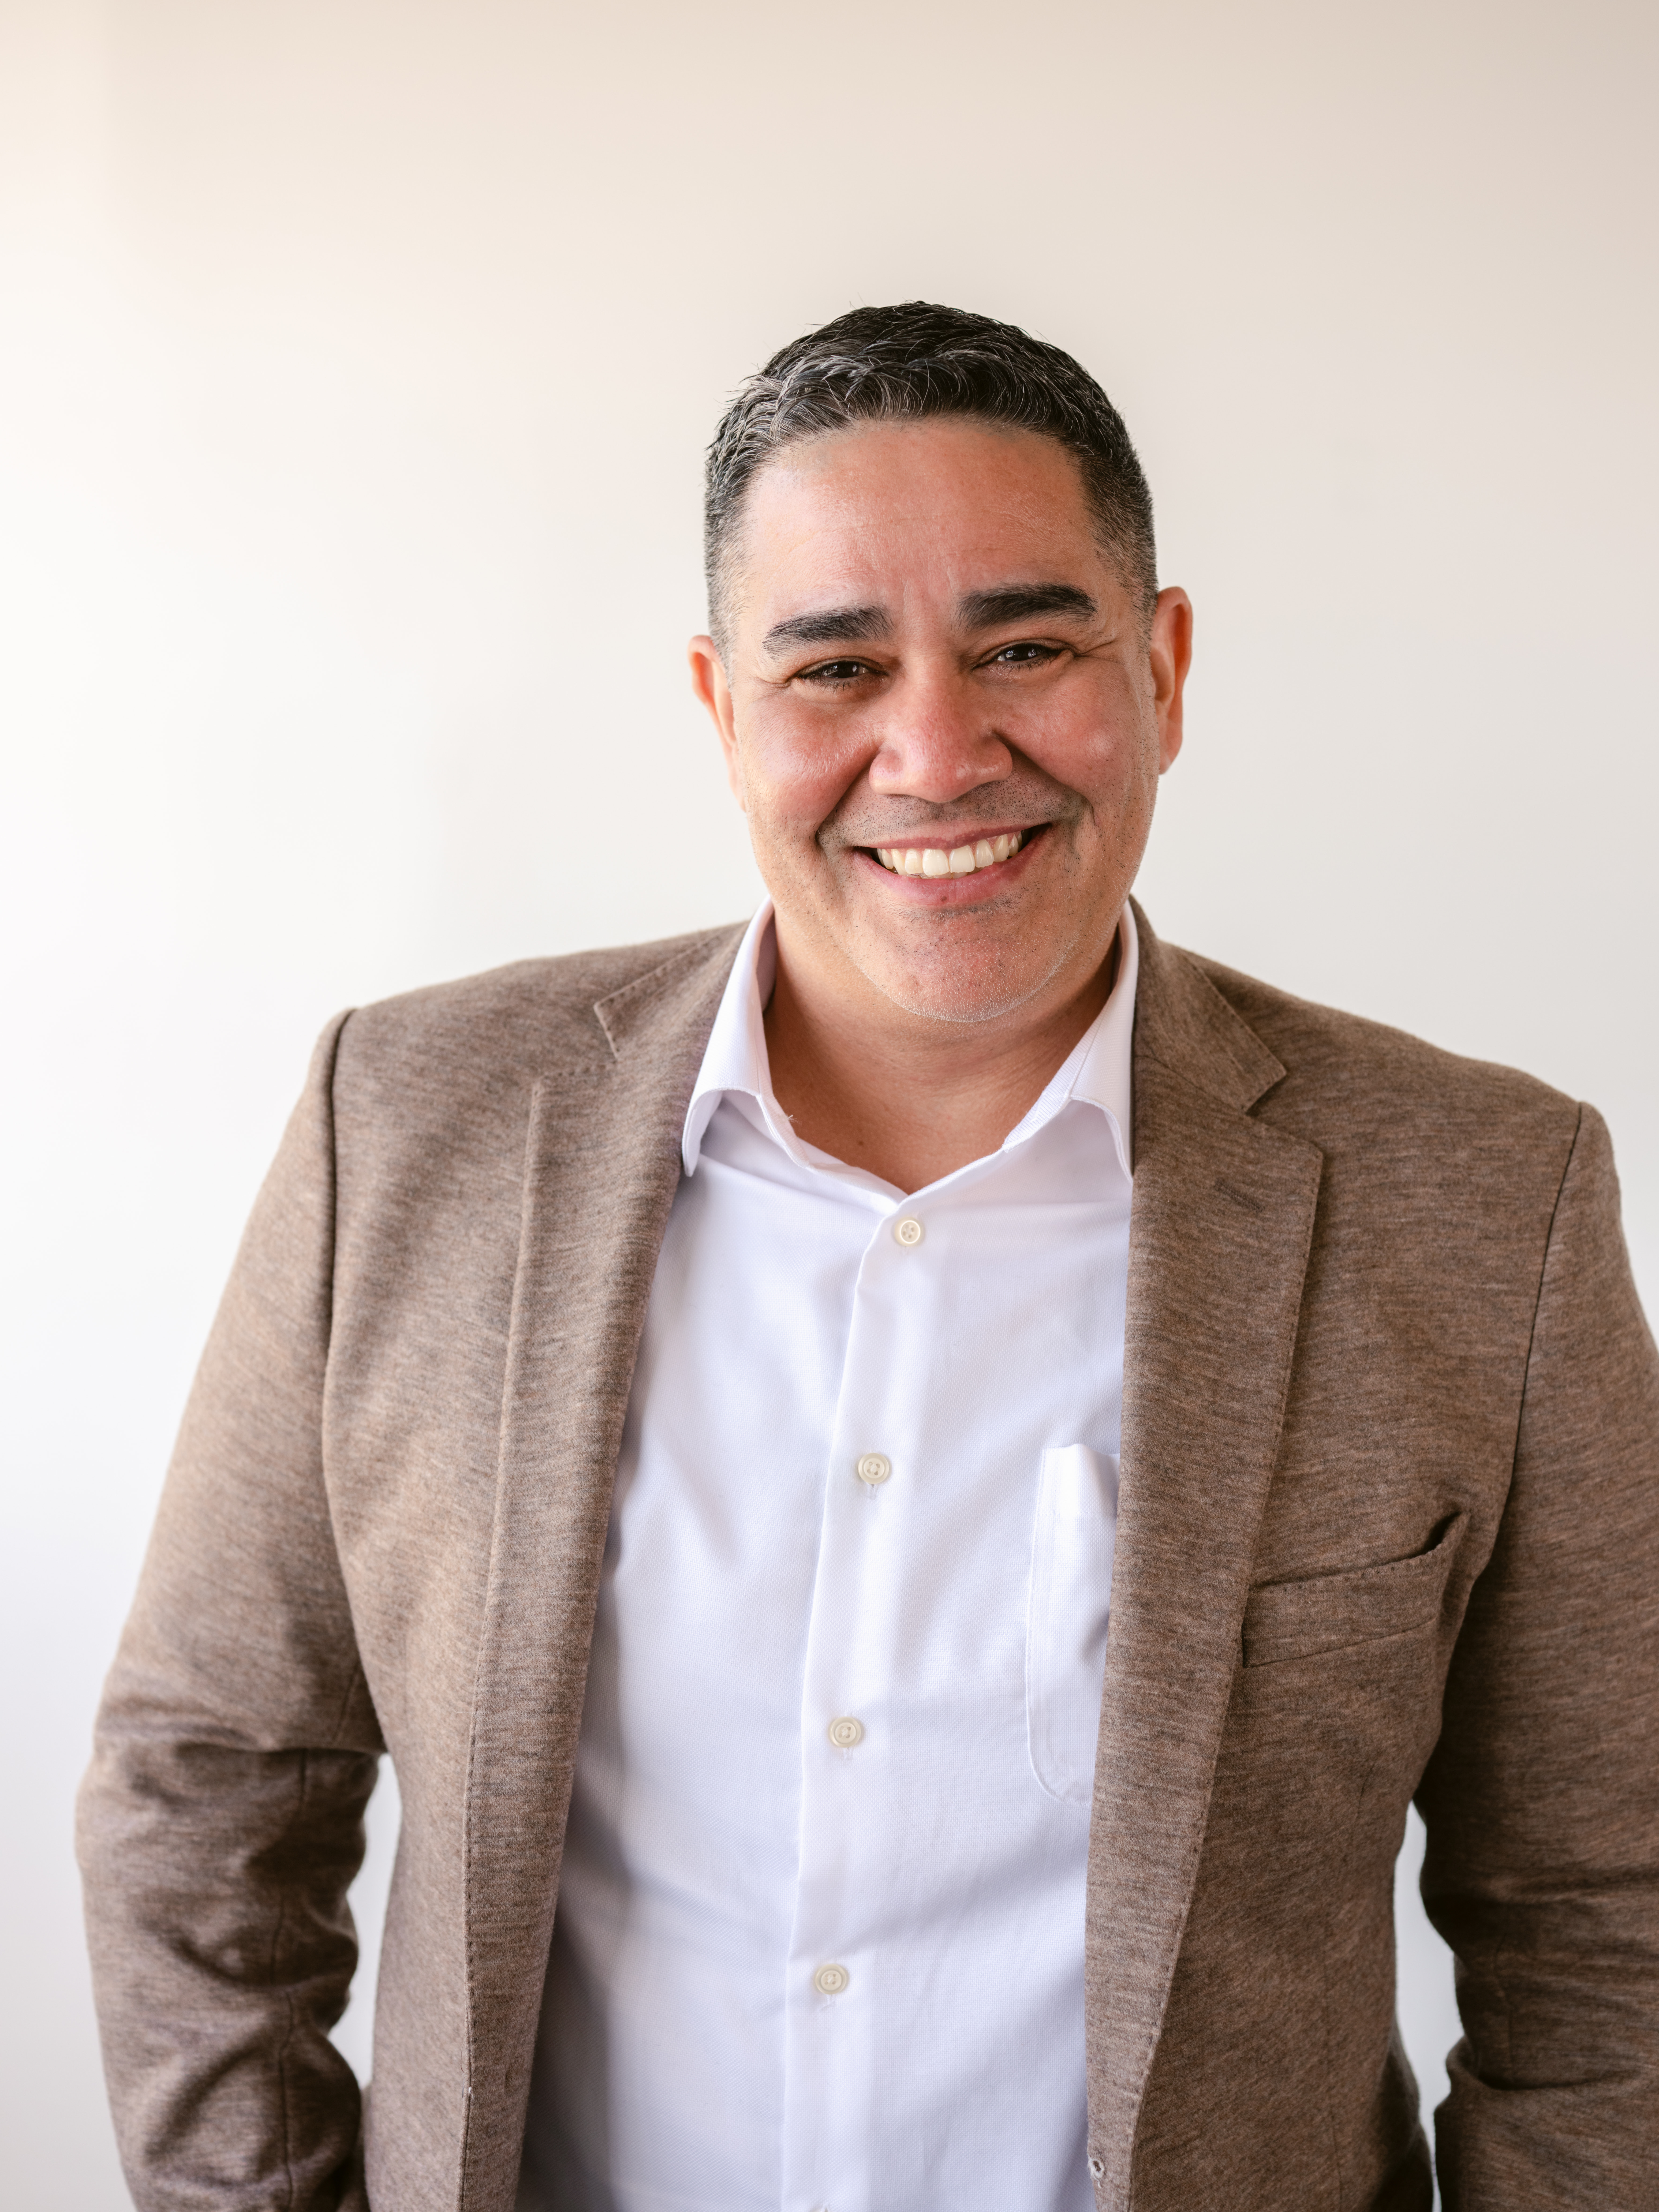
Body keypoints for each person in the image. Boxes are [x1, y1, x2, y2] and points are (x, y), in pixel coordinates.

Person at [79, 303, 1658, 2212]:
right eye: (835, 665)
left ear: (1162, 668)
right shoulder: (408, 1123)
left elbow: (1604, 1921)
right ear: (721, 707)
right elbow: (205, 1788)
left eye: (1028, 644)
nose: (937, 749)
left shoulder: (1487, 1197)